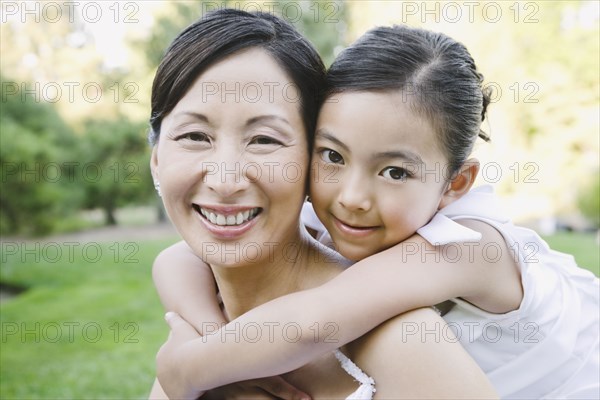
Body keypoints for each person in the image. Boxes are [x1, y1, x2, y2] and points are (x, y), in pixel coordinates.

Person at [154, 21, 600, 399]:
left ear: (456, 183)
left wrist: (188, 370)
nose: (352, 196)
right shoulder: (345, 224)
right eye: (333, 157)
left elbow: (317, 321)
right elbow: (177, 258)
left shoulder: (464, 246)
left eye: (395, 172)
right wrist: (212, 334)